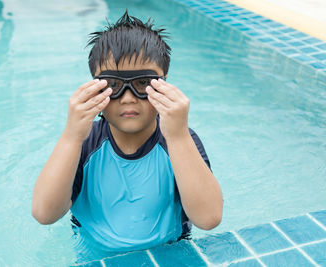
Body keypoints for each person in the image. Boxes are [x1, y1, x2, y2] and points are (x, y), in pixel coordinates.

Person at [32, 10, 223, 261]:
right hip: (94, 256)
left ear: (164, 84)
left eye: (144, 83)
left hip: (168, 255)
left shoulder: (179, 140)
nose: (128, 97)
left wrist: (177, 137)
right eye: (113, 85)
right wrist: (71, 135)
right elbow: (44, 214)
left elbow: (208, 219)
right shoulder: (84, 142)